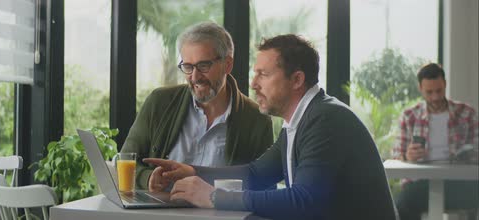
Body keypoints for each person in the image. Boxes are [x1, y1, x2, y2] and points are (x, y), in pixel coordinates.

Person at [143, 34, 397, 220]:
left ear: (297, 79)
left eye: (263, 75)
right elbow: (256, 174)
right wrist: (190, 171)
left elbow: (303, 200)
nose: (253, 84)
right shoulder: (299, 121)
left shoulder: (325, 119)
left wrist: (213, 196)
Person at [120, 22, 273, 190]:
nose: (195, 76)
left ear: (227, 64)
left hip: (219, 215)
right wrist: (148, 178)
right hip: (159, 212)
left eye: (203, 66)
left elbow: (263, 183)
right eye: (188, 66)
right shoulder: (159, 102)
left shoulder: (257, 119)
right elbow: (125, 160)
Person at [393, 63, 478, 220]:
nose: (435, 97)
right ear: (420, 89)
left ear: (445, 84)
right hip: (420, 184)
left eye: (439, 90)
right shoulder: (409, 116)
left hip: (459, 183)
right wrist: (407, 156)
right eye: (429, 92)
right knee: (401, 205)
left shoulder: (467, 113)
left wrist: (469, 155)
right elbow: (397, 154)